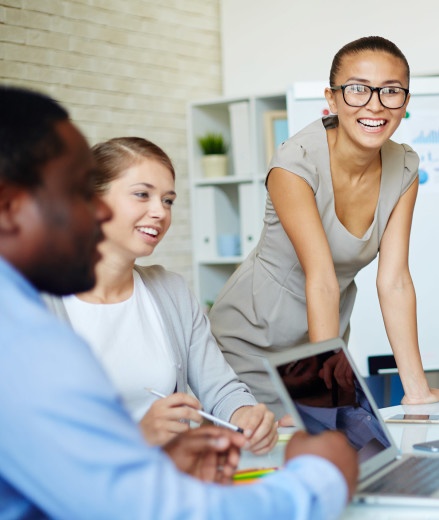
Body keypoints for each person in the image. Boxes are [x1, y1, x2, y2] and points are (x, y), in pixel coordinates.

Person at [0, 85, 358, 519]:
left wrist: (171, 456)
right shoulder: (22, 336)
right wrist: (320, 477)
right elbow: (149, 508)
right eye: (78, 194)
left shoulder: (159, 291)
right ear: (8, 207)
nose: (96, 215)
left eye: (168, 200)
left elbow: (79, 482)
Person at [210, 36, 439, 414]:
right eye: (357, 90)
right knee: (270, 459)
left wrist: (416, 390)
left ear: (405, 101)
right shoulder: (295, 164)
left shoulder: (404, 167)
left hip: (320, 339)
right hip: (251, 342)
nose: (375, 105)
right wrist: (327, 399)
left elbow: (395, 280)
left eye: (391, 91)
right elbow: (320, 277)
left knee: (336, 460)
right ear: (332, 99)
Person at [41, 137, 276, 452]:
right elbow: (25, 440)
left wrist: (245, 415)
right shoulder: (35, 302)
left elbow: (220, 389)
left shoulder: (171, 291)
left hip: (168, 485)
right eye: (142, 195)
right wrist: (135, 437)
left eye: (167, 200)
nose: (160, 212)